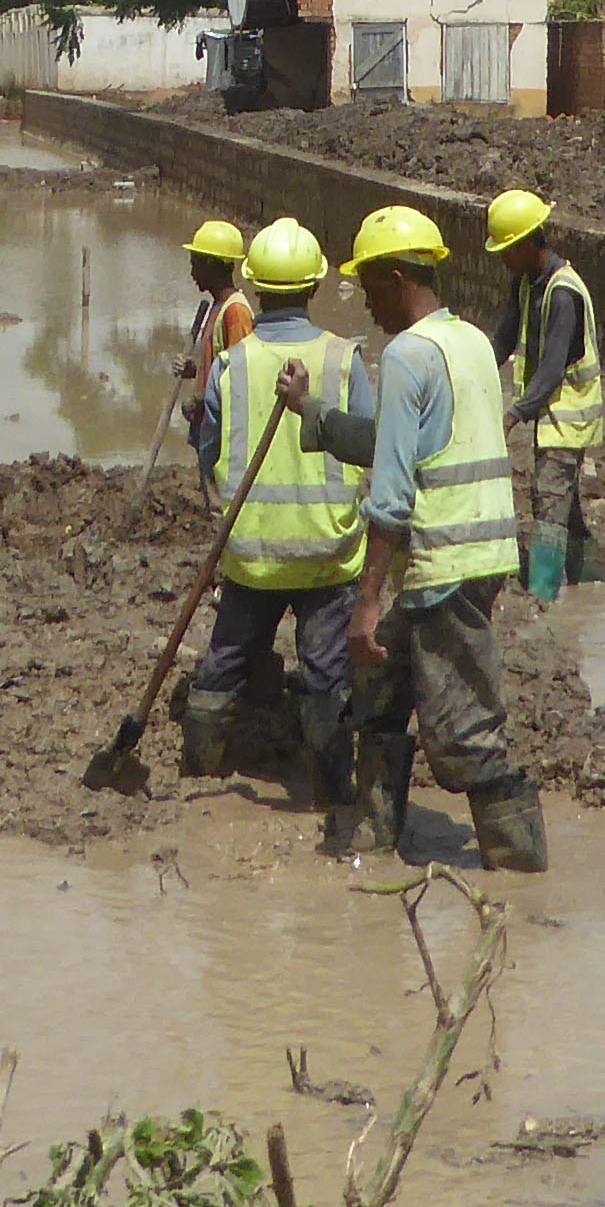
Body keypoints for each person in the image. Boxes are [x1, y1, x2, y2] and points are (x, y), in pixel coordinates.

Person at [275, 202, 545, 870]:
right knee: (379, 688)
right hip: (485, 554)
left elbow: (392, 498)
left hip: (444, 564)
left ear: (397, 280)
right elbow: (408, 445)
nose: (367, 306)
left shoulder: (405, 355)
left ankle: (518, 865)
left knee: (463, 735)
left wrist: (366, 603)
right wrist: (313, 413)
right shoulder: (471, 343)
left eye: (369, 289)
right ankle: (373, 834)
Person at [185, 220, 370, 847]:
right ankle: (328, 788)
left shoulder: (231, 366)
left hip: (250, 552)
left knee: (224, 665)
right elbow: (371, 445)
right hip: (328, 554)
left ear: (255, 288)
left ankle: (199, 771)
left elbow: (209, 450)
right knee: (324, 677)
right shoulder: (345, 358)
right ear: (317, 284)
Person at [485, 188, 604, 594]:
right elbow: (502, 340)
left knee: (549, 503)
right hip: (551, 414)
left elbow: (552, 367)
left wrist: (512, 415)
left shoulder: (563, 293)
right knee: (568, 512)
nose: (502, 258)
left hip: (567, 417)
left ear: (526, 244)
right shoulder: (526, 283)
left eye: (506, 249)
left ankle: (544, 591)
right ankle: (592, 585)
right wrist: (472, 369)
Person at [168, 220, 254, 421]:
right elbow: (219, 366)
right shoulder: (217, 307)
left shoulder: (235, 312)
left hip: (221, 429)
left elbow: (238, 379)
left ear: (210, 264)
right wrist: (195, 369)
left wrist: (202, 404)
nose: (192, 274)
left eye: (194, 265)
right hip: (208, 426)